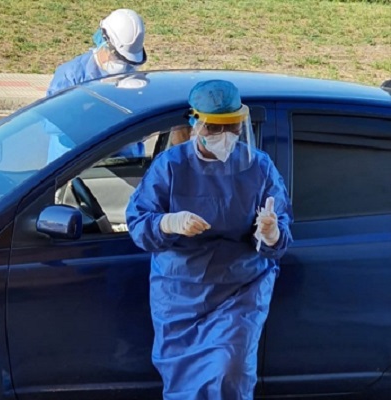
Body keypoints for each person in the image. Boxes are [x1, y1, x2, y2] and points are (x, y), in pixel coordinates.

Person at [126, 80, 293, 400]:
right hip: (180, 292)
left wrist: (271, 233)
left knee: (229, 369)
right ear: (196, 124)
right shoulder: (171, 167)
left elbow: (280, 231)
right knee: (183, 378)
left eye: (232, 127)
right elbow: (139, 223)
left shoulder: (259, 167)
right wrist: (168, 223)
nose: (225, 136)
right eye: (216, 127)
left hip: (240, 289)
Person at [45, 9, 147, 162]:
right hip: (75, 162)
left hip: (122, 164)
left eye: (126, 61)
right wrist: (85, 109)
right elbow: (52, 125)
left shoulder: (132, 78)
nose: (122, 66)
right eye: (117, 57)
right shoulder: (72, 75)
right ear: (103, 42)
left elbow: (143, 125)